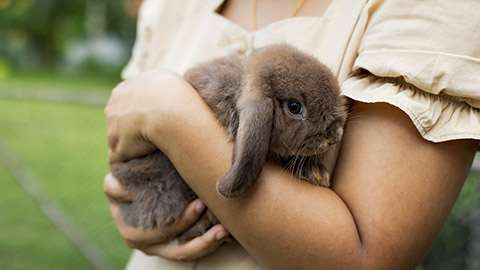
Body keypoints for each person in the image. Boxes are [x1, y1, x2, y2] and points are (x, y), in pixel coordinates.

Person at [104, 0, 480, 269]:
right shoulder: (167, 5)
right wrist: (132, 203)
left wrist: (168, 110)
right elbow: (124, 147)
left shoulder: (435, 9)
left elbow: (367, 258)